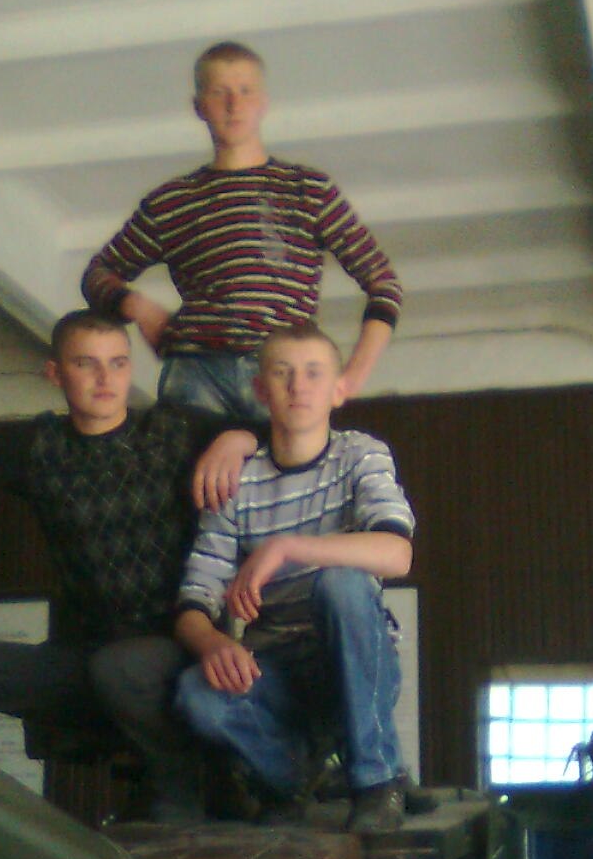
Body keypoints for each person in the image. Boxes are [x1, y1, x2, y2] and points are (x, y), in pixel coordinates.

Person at [0, 310, 257, 822]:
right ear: (55, 373)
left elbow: (282, 427)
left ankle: (183, 786)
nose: (105, 378)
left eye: (118, 363)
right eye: (87, 364)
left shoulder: (173, 429)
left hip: (178, 653)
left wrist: (238, 438)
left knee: (120, 665)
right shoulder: (37, 447)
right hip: (86, 659)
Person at [173, 322, 414, 833]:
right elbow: (194, 599)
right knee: (196, 693)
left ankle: (376, 781)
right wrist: (213, 643)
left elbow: (397, 554)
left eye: (313, 373)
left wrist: (285, 548)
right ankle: (292, 781)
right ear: (260, 390)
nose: (298, 386)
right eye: (282, 373)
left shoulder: (360, 454)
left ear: (338, 389)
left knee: (341, 584)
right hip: (276, 668)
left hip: (353, 660)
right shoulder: (237, 480)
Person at [81, 40, 402, 422]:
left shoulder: (307, 189)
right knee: (193, 463)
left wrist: (351, 378)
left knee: (285, 462)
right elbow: (97, 274)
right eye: (220, 92)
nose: (234, 105)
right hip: (196, 369)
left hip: (281, 368)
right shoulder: (171, 201)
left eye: (245, 91)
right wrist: (137, 306)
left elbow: (383, 283)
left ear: (263, 102)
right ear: (199, 106)